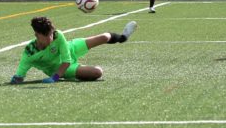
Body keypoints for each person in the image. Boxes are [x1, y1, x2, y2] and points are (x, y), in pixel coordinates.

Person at [10, 17, 138, 84]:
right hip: (63, 69)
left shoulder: (57, 35)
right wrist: (16, 80)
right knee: (97, 73)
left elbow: (66, 59)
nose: (51, 37)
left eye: (51, 34)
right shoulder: (29, 53)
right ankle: (82, 71)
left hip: (70, 48)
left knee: (104, 37)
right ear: (37, 35)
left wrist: (54, 78)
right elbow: (19, 76)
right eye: (47, 36)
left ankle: (123, 37)